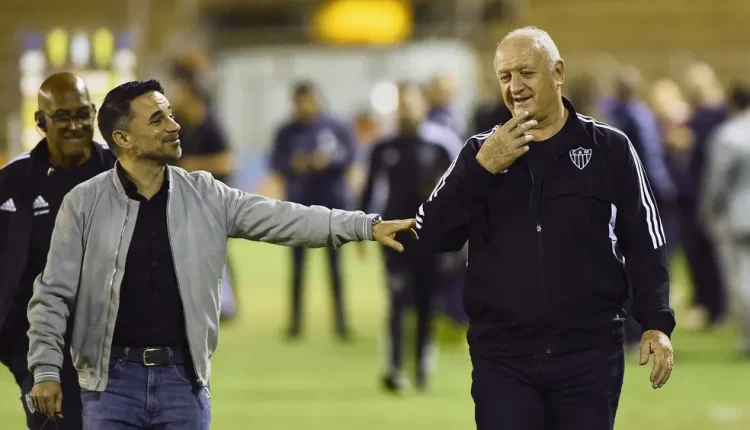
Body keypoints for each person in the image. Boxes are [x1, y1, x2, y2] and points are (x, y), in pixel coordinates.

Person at [26, 80, 417, 429]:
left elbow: (285, 218)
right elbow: (53, 294)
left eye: (172, 115)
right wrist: (45, 369)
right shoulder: (83, 204)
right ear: (123, 138)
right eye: (158, 120)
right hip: (109, 386)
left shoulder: (206, 195)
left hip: (184, 384)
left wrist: (365, 225)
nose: (174, 126)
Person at [415, 27, 675, 429]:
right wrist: (483, 169)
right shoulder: (478, 152)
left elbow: (646, 240)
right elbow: (431, 232)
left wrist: (656, 322)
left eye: (526, 73)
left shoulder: (610, 147)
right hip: (503, 357)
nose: (514, 87)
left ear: (557, 72)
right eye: (505, 77)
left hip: (588, 355)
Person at [0, 72, 115, 430]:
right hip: (36, 339)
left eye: (83, 114)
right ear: (40, 121)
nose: (75, 125)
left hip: (112, 338)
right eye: (62, 116)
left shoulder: (119, 171)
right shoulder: (13, 182)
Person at [359, 82, 452, 393]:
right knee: (397, 301)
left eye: (410, 104)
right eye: (401, 105)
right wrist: (360, 231)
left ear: (422, 106)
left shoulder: (441, 145)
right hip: (394, 237)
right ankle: (394, 368)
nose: (405, 111)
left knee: (427, 303)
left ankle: (423, 366)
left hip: (431, 238)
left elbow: (460, 190)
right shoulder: (383, 147)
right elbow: (369, 190)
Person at [269, 81, 358, 340]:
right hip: (298, 207)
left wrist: (328, 162)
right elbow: (276, 162)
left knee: (335, 267)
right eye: (299, 102)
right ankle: (295, 323)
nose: (304, 106)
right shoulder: (286, 131)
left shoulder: (335, 126)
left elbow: (351, 156)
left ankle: (341, 323)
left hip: (332, 207)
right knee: (297, 268)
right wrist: (297, 164)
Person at [169, 64, 239, 321]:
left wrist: (194, 166)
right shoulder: (181, 126)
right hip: (187, 198)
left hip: (213, 196)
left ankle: (227, 306)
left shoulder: (211, 125)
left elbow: (228, 161)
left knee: (216, 250)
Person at [700, 83, 750, 357]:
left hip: (738, 216)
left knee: (741, 280)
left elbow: (716, 182)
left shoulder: (729, 134)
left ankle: (748, 340)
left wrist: (708, 213)